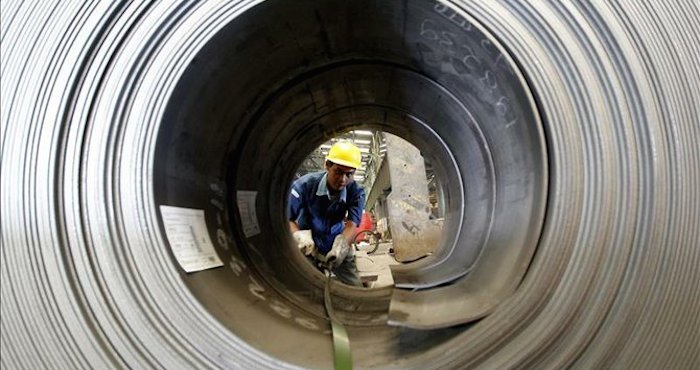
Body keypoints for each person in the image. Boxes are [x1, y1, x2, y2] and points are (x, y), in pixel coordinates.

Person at [288, 141, 366, 287]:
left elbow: (352, 223)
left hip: (336, 242)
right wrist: (298, 236)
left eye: (349, 174)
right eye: (338, 172)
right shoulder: (304, 185)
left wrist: (343, 244)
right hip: (308, 244)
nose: (343, 179)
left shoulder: (356, 191)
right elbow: (288, 218)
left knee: (355, 287)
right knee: (308, 287)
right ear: (327, 166)